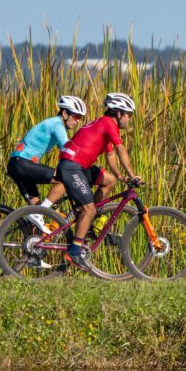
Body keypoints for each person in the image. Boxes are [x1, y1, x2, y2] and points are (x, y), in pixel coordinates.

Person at [55, 92, 142, 272]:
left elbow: (110, 156)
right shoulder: (108, 123)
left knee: (109, 180)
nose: (129, 119)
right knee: (89, 208)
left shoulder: (105, 125)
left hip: (79, 166)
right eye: (129, 115)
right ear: (119, 113)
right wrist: (132, 175)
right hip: (72, 166)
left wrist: (120, 176)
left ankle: (88, 218)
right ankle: (75, 251)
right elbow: (120, 150)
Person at [7, 95, 87, 232]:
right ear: (65, 113)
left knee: (37, 213)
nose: (77, 121)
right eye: (75, 117)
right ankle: (39, 213)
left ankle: (33, 245)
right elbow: (67, 150)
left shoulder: (53, 124)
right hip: (22, 164)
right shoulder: (57, 125)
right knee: (64, 181)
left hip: (17, 164)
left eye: (80, 118)